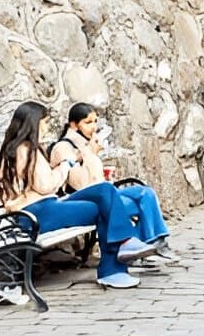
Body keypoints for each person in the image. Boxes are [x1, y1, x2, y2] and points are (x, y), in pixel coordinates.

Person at [0, 102, 156, 289]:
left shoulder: (26, 148)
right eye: (45, 122)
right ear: (35, 123)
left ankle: (123, 246)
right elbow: (45, 186)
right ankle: (113, 268)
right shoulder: (25, 150)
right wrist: (65, 165)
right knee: (102, 209)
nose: (47, 126)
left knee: (105, 191)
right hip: (33, 214)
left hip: (45, 206)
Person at [49, 104, 173, 260]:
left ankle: (157, 243)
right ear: (74, 125)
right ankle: (144, 247)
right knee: (138, 205)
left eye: (95, 121)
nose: (93, 127)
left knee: (146, 193)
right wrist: (92, 154)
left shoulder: (87, 144)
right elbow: (82, 185)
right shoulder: (63, 148)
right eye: (88, 122)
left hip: (104, 193)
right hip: (82, 200)